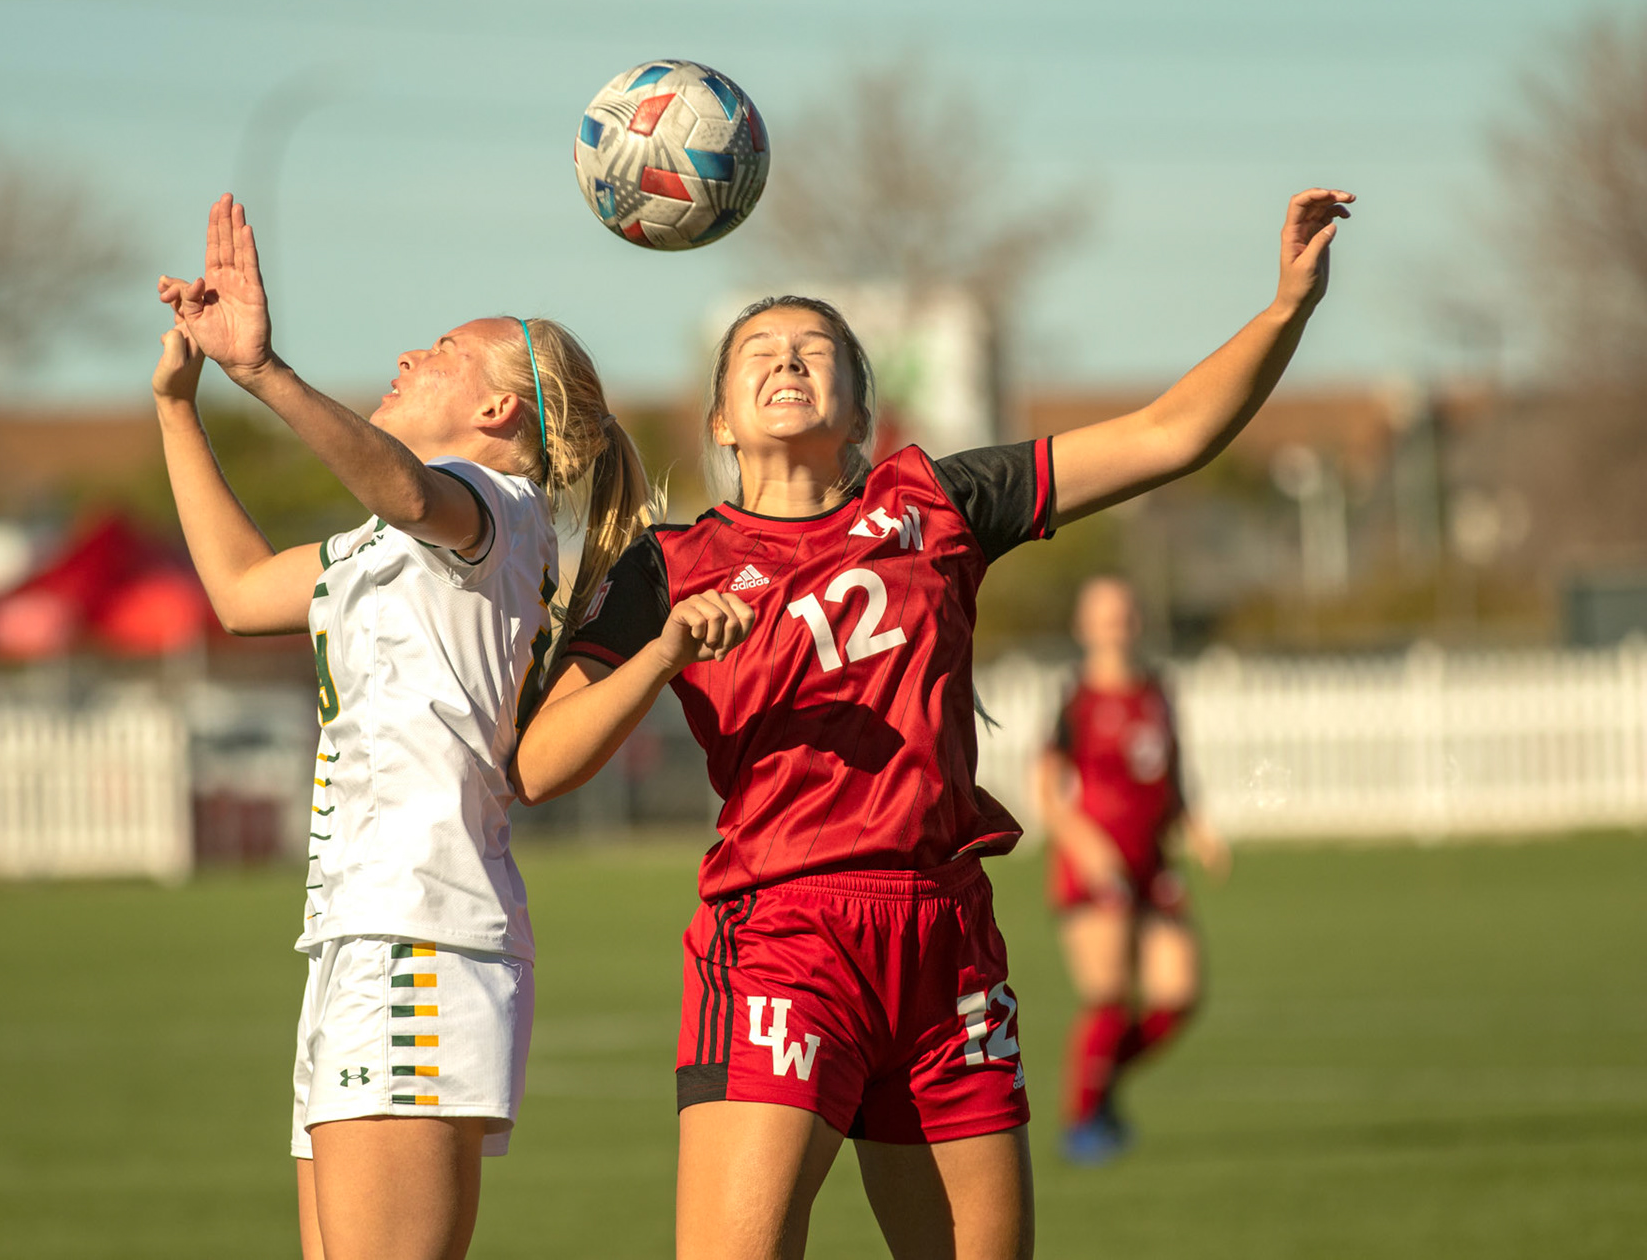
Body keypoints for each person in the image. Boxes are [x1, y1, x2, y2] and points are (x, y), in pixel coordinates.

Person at [514, 187, 1353, 1259]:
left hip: (946, 940)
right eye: (760, 350)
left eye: (816, 349)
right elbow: (541, 763)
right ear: (720, 417)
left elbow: (1169, 434)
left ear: (862, 411)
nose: (787, 359)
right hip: (785, 938)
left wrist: (1285, 308)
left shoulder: (936, 506)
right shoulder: (666, 569)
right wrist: (666, 650)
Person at [151, 194, 647, 1260]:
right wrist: (178, 409)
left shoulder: (493, 503)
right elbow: (240, 592)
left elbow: (417, 496)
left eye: (446, 351)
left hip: (421, 930)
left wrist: (265, 373)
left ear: (501, 409)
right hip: (363, 933)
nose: (411, 354)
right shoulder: (390, 541)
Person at [1033, 577, 1230, 1166]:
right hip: (1097, 868)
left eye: (1124, 614)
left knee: (1179, 994)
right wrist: (1086, 845)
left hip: (1153, 862)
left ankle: (1097, 1085)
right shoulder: (1076, 700)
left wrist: (1197, 830)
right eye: (1105, 616)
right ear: (1084, 627)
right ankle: (1082, 1123)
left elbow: (1173, 777)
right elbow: (1045, 789)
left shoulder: (1157, 692)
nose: (1116, 626)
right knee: (1110, 995)